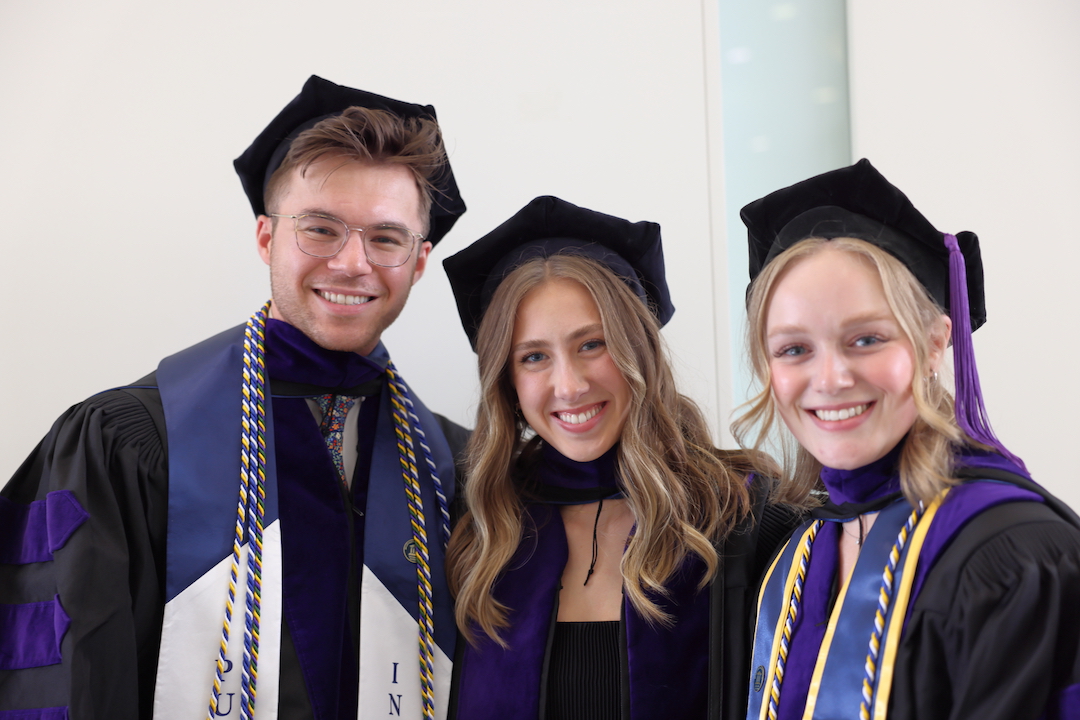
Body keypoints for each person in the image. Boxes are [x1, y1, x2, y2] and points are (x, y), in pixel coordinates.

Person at [0, 75, 468, 720]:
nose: (352, 262)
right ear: (265, 238)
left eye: (386, 238)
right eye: (320, 229)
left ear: (418, 261)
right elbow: (68, 681)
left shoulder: (455, 468)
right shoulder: (130, 441)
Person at [734, 159, 1080, 720]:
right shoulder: (801, 554)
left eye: (866, 339)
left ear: (935, 342)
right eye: (794, 349)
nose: (830, 379)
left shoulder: (1013, 557)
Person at [441, 196, 802, 720]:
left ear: (639, 349)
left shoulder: (743, 517)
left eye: (592, 344)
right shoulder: (477, 529)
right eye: (534, 356)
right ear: (507, 381)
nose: (569, 385)